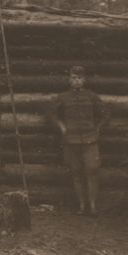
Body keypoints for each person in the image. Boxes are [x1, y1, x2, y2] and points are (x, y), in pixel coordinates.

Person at [47, 66, 110, 216]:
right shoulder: (63, 97)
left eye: (80, 78)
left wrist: (98, 129)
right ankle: (82, 205)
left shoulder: (91, 96)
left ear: (84, 80)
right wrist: (61, 126)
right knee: (76, 172)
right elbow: (50, 113)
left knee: (92, 170)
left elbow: (105, 114)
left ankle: (93, 205)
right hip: (71, 140)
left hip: (90, 139)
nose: (77, 81)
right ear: (69, 80)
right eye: (74, 78)